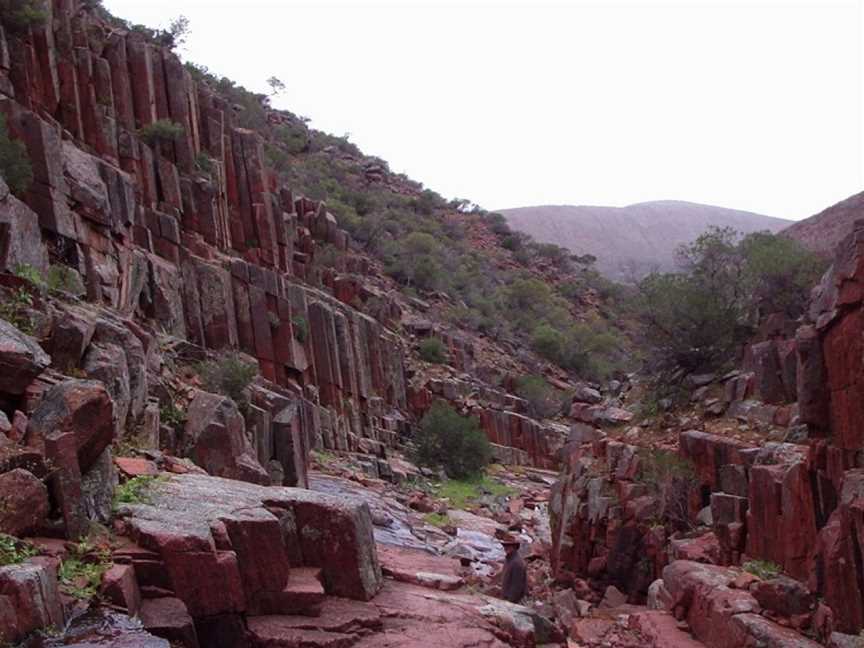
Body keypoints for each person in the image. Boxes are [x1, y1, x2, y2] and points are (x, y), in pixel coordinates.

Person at [500, 534, 528, 604]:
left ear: (514, 547)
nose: (506, 548)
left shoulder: (517, 563)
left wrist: (510, 602)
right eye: (505, 545)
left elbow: (517, 586)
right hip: (506, 598)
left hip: (513, 601)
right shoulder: (509, 559)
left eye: (509, 546)